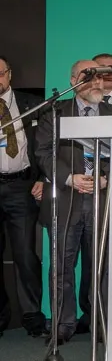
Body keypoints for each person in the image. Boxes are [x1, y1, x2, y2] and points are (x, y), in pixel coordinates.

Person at [35, 60, 112, 345]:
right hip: (66, 198)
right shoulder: (55, 112)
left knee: (104, 266)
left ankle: (102, 322)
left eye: (99, 76)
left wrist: (106, 178)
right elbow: (43, 152)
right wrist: (69, 178)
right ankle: (62, 324)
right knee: (61, 267)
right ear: (73, 80)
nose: (96, 81)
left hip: (103, 198)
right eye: (88, 76)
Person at [76, 52, 112, 335]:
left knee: (108, 260)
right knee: (83, 262)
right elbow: (49, 149)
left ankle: (109, 319)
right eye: (97, 72)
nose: (103, 77)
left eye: (109, 71)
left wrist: (107, 178)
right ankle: (86, 315)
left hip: (110, 192)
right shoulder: (63, 109)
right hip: (75, 192)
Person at [0, 56, 48, 339]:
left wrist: (43, 177)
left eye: (0, 73)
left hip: (21, 186)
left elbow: (44, 146)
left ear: (9, 74)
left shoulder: (33, 104)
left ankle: (32, 316)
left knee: (26, 255)